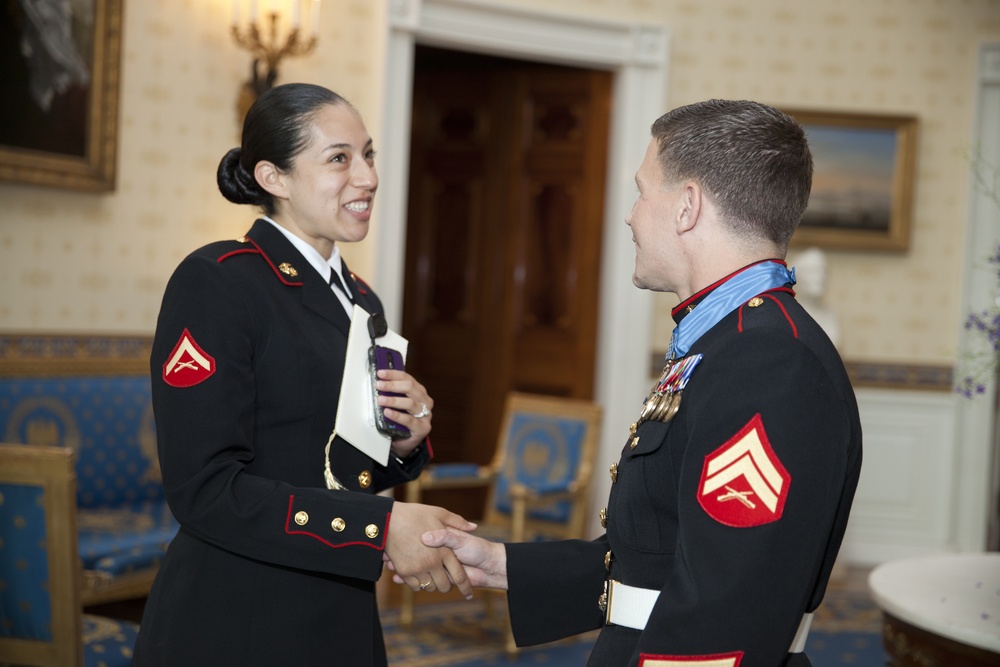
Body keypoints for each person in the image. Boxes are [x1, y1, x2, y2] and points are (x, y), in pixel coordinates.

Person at [412, 99, 863, 667]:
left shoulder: (769, 361)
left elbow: (724, 614)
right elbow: (657, 557)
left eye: (642, 190)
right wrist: (501, 564)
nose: (630, 215)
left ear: (687, 207)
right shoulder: (729, 341)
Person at [132, 83, 473, 667]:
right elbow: (204, 490)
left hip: (338, 605)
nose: (365, 176)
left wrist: (404, 441)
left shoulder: (362, 300)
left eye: (368, 154)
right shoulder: (218, 280)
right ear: (273, 178)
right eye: (339, 158)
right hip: (238, 613)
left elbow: (337, 469)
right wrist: (378, 528)